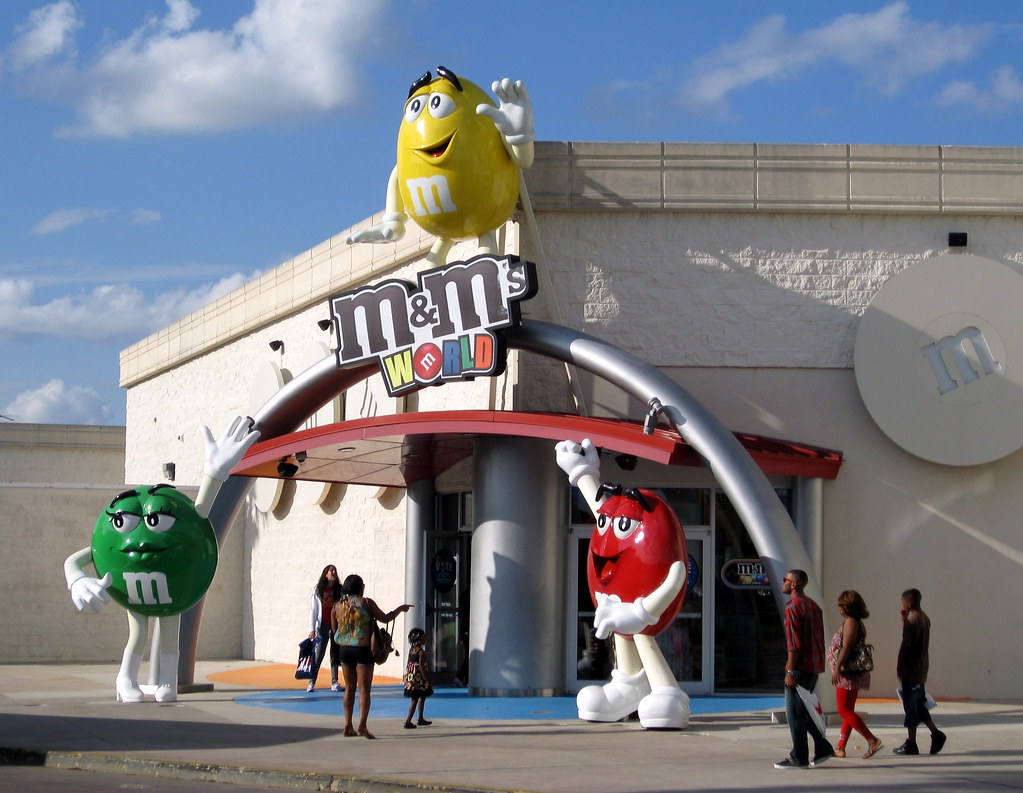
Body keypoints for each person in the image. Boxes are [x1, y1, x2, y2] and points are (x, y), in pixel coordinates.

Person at [332, 574, 411, 738]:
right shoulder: (366, 603)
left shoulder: (337, 606)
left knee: (350, 688)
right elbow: (385, 618)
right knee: (364, 689)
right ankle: (362, 725)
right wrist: (400, 609)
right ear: (361, 587)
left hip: (344, 649)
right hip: (363, 649)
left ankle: (347, 725)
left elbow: (335, 630)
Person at [774, 569, 835, 770]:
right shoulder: (813, 606)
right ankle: (822, 746)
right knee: (804, 711)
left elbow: (794, 644)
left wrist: (790, 671)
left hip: (799, 668)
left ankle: (799, 756)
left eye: (785, 580)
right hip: (813, 667)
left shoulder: (794, 607)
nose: (783, 582)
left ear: (794, 585)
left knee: (795, 715)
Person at [828, 590, 883, 759]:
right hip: (850, 673)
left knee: (843, 710)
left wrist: (837, 668)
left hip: (847, 673)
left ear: (847, 606)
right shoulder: (854, 621)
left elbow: (847, 646)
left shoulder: (851, 622)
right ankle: (840, 746)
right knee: (848, 710)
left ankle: (872, 739)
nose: (839, 609)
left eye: (841, 605)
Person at [895, 588, 947, 756]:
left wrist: (900, 665)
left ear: (908, 603)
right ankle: (936, 733)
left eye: (903, 602)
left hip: (910, 669)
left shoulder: (913, 621)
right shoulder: (924, 619)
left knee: (910, 706)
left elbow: (907, 644)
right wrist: (904, 621)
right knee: (918, 703)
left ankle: (911, 742)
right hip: (921, 668)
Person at [307, 564, 342, 693]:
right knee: (318, 654)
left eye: (335, 571)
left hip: (336, 626)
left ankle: (334, 681)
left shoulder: (340, 589)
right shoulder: (318, 590)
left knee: (334, 654)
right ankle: (311, 681)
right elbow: (313, 610)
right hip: (322, 626)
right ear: (325, 574)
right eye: (331, 570)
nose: (333, 572)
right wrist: (312, 628)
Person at [403, 627, 434, 729]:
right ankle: (408, 721)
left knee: (421, 696)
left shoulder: (412, 650)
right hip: (418, 678)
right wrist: (426, 679)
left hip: (412, 677)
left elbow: (409, 663)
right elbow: (421, 665)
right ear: (419, 639)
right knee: (415, 698)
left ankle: (420, 718)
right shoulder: (421, 652)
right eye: (424, 637)